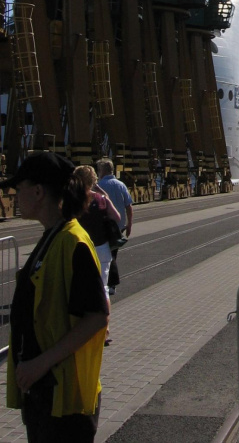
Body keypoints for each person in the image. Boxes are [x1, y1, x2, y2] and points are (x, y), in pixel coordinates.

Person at [2, 152, 108, 442]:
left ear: (38, 192)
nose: (14, 194)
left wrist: (40, 363)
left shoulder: (72, 242)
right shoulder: (53, 236)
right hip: (45, 393)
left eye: (19, 187)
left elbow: (98, 316)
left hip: (64, 399)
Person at [74, 165, 120, 346]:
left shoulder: (73, 201)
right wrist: (102, 194)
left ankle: (82, 330)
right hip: (102, 249)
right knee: (103, 290)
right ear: (93, 180)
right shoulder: (101, 199)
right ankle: (105, 331)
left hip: (81, 250)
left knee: (80, 289)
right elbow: (116, 217)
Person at [95, 158, 133, 295]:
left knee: (106, 256)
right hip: (119, 226)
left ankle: (109, 283)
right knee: (112, 254)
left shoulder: (99, 185)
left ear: (102, 171)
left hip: (104, 226)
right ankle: (110, 284)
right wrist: (129, 224)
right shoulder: (121, 184)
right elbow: (129, 206)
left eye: (98, 170)